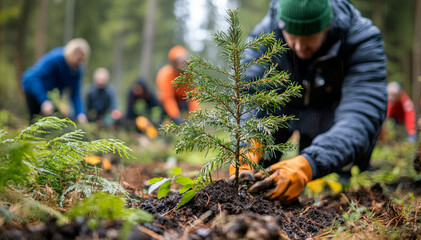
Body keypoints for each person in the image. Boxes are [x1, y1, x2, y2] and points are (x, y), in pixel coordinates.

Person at [231, 0, 387, 204]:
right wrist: (247, 145)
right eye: (292, 37)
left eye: (309, 37)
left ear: (328, 26)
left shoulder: (362, 39)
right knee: (259, 177)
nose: (298, 46)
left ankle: (338, 177)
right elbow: (251, 93)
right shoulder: (265, 36)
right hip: (284, 113)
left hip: (334, 119)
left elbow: (361, 113)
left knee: (338, 188)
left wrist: (310, 163)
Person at [22, 38, 90, 124]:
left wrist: (80, 113)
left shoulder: (77, 70)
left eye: (82, 60)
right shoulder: (56, 58)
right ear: (72, 54)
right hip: (32, 87)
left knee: (54, 121)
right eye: (78, 59)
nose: (80, 63)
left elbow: (75, 93)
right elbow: (35, 78)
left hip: (49, 94)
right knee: (35, 120)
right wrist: (44, 101)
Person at [156, 45, 199, 125]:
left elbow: (194, 96)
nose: (181, 65)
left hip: (183, 101)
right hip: (167, 104)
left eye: (183, 62)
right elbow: (167, 98)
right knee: (163, 112)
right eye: (178, 62)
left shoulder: (190, 75)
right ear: (173, 63)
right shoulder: (165, 75)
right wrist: (176, 116)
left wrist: (195, 115)